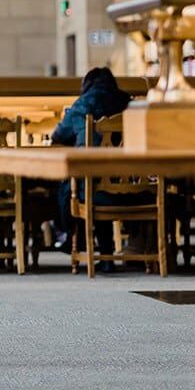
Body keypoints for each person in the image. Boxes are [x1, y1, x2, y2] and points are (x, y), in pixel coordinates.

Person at [50, 66, 132, 268]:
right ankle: (108, 253)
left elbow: (57, 136)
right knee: (99, 182)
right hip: (134, 192)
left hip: (91, 191)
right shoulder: (130, 105)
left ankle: (71, 236)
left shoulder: (83, 105)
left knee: (72, 186)